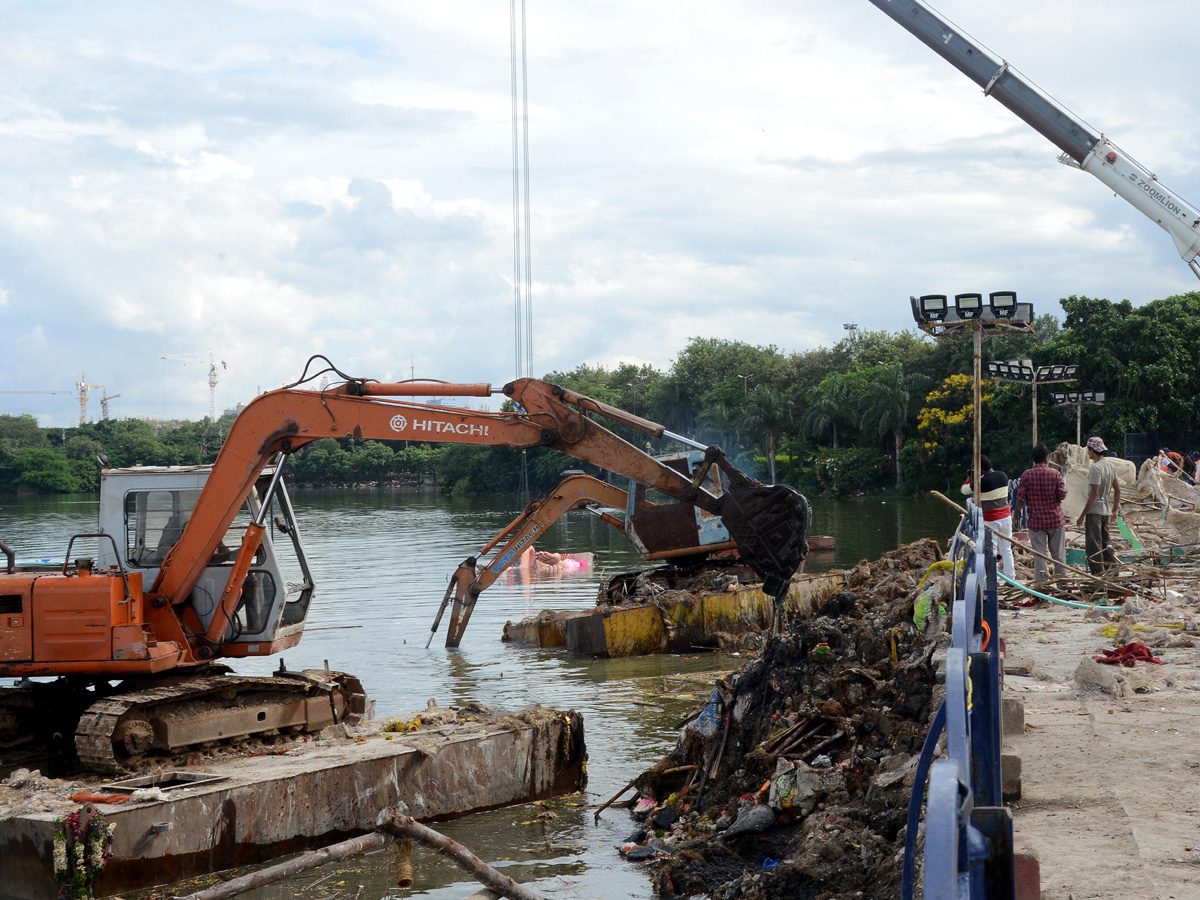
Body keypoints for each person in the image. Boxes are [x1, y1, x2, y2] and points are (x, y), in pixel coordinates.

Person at [1014, 442, 1068, 583]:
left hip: (1036, 522)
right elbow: (1062, 495)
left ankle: (1041, 586)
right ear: (1046, 458)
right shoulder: (1055, 474)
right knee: (1059, 555)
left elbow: (1020, 499)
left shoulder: (1026, 475)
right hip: (1055, 520)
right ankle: (1062, 584)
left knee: (1040, 556)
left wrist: (1015, 518)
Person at [961, 454, 1015, 578]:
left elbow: (963, 490)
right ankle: (1011, 577)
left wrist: (972, 477)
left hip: (990, 521)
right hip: (1006, 517)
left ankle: (993, 580)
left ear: (980, 470)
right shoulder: (1003, 476)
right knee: (1006, 549)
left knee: (992, 552)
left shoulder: (981, 482)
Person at [1076, 436, 1121, 575]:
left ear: (1092, 451)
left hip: (1095, 511)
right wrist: (1114, 511)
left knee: (1093, 545)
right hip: (1106, 510)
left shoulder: (1096, 468)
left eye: (1089, 450)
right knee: (1106, 542)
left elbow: (1094, 494)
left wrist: (1082, 515)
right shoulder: (1110, 466)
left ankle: (1098, 574)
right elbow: (1118, 490)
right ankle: (1112, 571)